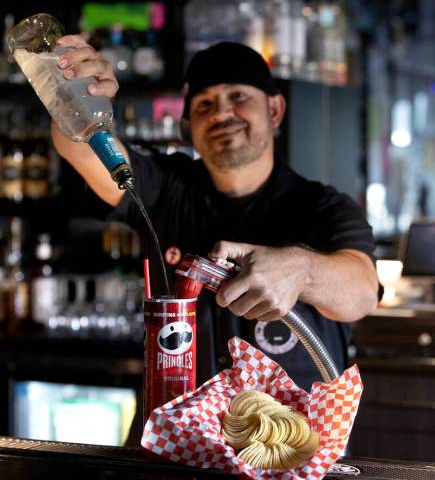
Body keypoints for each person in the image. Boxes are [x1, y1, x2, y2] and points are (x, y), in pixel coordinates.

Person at [51, 38, 379, 391]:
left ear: (274, 111)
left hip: (288, 439)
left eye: (238, 97)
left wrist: (303, 270)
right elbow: (81, 151)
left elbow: (362, 293)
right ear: (189, 128)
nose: (221, 113)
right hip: (175, 432)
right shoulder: (165, 187)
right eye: (205, 104)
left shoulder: (322, 207)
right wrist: (80, 98)